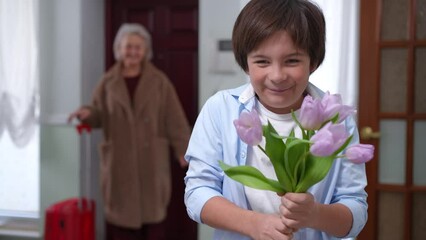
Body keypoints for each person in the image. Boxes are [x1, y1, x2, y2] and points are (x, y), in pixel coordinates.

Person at [184, 0, 368, 240]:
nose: (277, 76)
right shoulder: (221, 110)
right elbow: (197, 192)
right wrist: (253, 224)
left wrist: (314, 214)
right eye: (262, 61)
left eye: (292, 61)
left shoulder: (336, 120)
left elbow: (355, 209)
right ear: (246, 62)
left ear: (312, 62)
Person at [68, 23, 191, 240]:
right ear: (119, 49)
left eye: (138, 47)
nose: (133, 52)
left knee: (153, 225)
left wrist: (183, 149)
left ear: (146, 51)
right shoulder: (108, 82)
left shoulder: (159, 81)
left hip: (151, 163)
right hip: (119, 165)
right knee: (121, 226)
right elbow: (98, 113)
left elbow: (175, 119)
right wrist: (87, 113)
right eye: (128, 47)